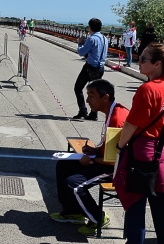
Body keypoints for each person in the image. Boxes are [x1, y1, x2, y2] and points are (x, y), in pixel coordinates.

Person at [50, 79, 128, 234]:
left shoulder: (117, 119)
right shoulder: (111, 112)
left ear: (105, 98)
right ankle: (74, 212)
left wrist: (91, 159)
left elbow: (114, 161)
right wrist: (95, 150)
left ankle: (98, 218)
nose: (87, 100)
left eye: (91, 95)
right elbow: (110, 148)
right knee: (64, 165)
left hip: (118, 169)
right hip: (109, 161)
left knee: (73, 184)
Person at [111, 42, 164, 244]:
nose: (139, 61)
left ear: (157, 64)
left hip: (142, 150)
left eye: (143, 59)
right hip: (162, 152)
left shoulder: (148, 89)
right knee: (161, 203)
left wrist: (120, 147)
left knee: (135, 202)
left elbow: (131, 124)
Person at [72, 18, 108, 121]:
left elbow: (81, 52)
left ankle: (83, 110)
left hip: (90, 67)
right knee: (95, 91)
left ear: (91, 27)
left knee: (78, 88)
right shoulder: (105, 38)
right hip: (100, 68)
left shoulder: (92, 39)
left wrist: (80, 43)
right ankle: (93, 113)